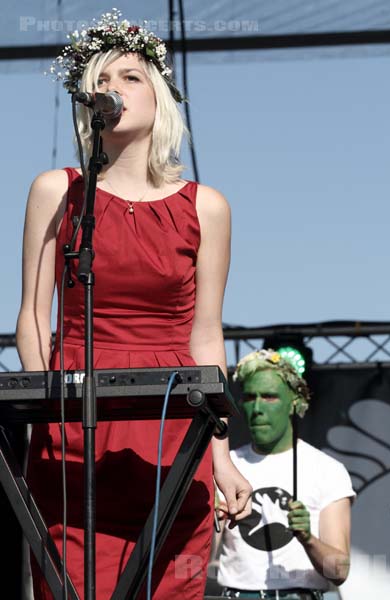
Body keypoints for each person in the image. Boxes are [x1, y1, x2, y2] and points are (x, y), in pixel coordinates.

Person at [15, 9, 251, 599]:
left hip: (174, 423)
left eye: (130, 77)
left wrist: (221, 455)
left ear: (160, 99)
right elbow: (30, 316)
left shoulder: (206, 207)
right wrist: (45, 409)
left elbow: (206, 336)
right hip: (72, 419)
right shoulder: (57, 190)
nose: (112, 90)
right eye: (101, 80)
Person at [214, 349, 355, 600]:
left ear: (294, 403)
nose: (257, 408)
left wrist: (307, 538)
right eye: (249, 397)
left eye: (269, 397)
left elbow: (339, 570)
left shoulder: (327, 469)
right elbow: (196, 562)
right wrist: (212, 523)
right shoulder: (225, 467)